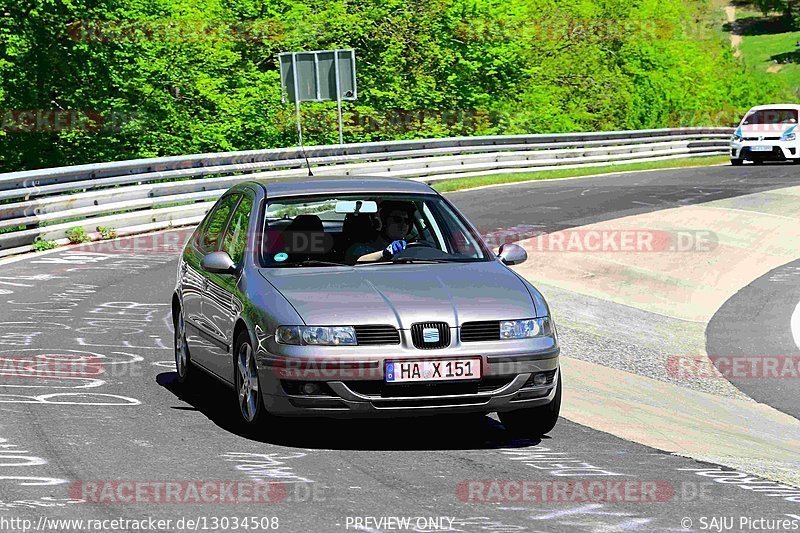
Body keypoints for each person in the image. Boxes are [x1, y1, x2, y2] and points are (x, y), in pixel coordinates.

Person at [347, 201, 415, 262]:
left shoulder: (412, 247)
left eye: (407, 221)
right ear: (384, 221)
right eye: (397, 219)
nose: (403, 224)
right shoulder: (361, 248)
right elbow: (356, 262)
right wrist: (385, 253)